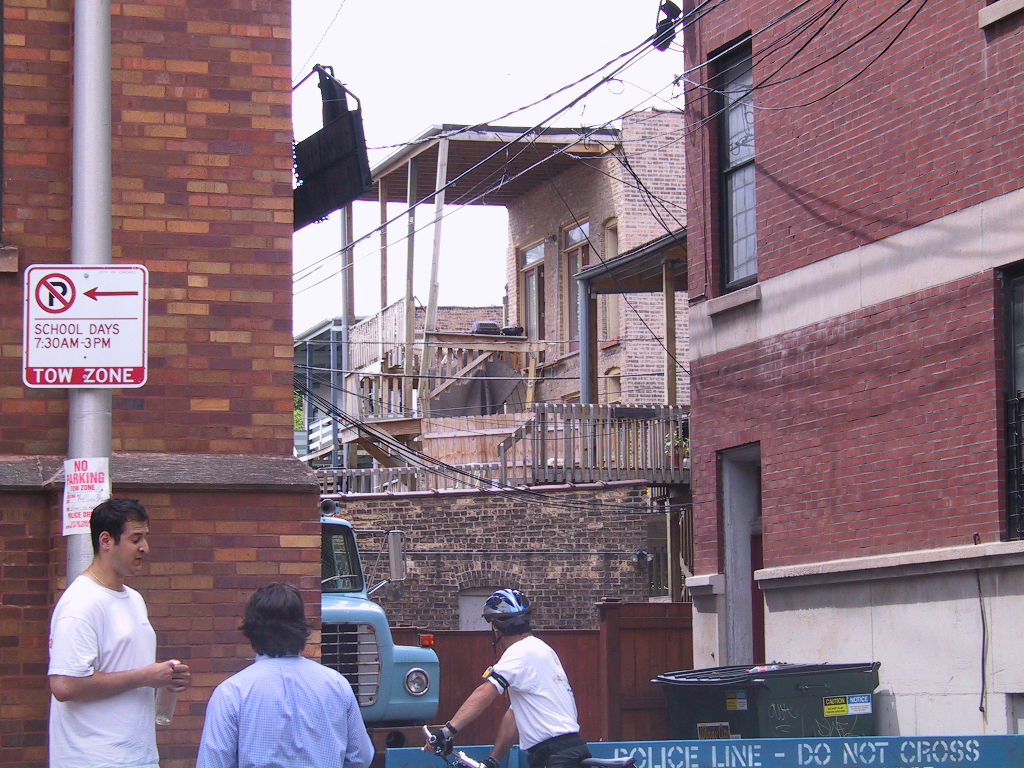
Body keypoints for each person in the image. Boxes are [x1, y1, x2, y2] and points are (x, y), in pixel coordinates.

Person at [48, 497, 192, 768]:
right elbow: (64, 685)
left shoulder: (134, 599)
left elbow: (129, 672)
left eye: (145, 538)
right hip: (93, 759)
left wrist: (166, 679)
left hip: (138, 756)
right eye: (135, 539)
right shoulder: (81, 603)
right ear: (106, 541)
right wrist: (144, 676)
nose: (145, 548)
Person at [196, 582, 374, 768]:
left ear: (251, 630)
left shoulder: (232, 693)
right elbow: (360, 756)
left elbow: (212, 763)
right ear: (301, 626)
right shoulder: (337, 685)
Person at [425, 589, 589, 768]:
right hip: (571, 750)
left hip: (555, 757)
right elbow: (515, 714)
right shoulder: (542, 650)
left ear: (496, 627)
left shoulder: (519, 652)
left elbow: (485, 692)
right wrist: (493, 760)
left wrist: (446, 732)